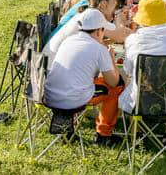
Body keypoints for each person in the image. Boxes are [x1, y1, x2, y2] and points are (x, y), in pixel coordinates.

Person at [43, 9, 124, 145]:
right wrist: (112, 59)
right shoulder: (100, 49)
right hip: (72, 101)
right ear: (99, 31)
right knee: (116, 88)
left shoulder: (68, 41)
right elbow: (114, 81)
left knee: (80, 82)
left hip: (49, 96)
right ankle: (103, 135)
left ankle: (67, 131)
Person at [119, 0, 166, 114]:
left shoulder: (133, 40)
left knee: (128, 77)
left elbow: (128, 70)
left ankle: (135, 128)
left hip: (141, 102)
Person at [45, 0, 132, 68]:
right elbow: (120, 37)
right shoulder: (93, 16)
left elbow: (98, 42)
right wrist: (119, 16)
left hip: (52, 63)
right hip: (51, 68)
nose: (114, 11)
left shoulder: (88, 13)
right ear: (103, 4)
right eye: (114, 7)